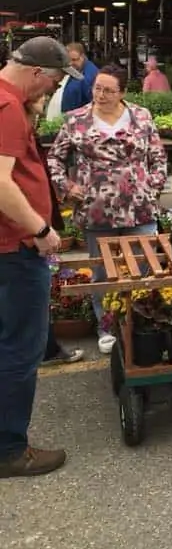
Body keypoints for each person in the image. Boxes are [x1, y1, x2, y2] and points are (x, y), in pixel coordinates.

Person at [0, 36, 83, 478]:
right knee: (20, 349)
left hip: (8, 248)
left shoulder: (11, 103)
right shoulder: (8, 108)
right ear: (35, 72)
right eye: (51, 83)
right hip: (15, 251)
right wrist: (40, 228)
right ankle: (10, 450)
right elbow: (1, 183)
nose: (50, 91)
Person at [47, 65, 167, 356]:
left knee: (144, 267)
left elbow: (158, 157)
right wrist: (68, 188)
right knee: (102, 271)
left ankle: (143, 322)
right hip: (96, 209)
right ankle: (108, 326)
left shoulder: (141, 117)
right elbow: (54, 159)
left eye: (109, 90)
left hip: (139, 207)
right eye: (97, 88)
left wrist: (152, 186)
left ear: (123, 92)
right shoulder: (76, 120)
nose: (101, 94)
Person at [24, 94, 84, 366]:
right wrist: (38, 229)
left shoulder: (26, 124)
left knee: (35, 292)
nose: (46, 97)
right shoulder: (12, 120)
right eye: (41, 94)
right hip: (23, 234)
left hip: (29, 230)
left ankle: (47, 349)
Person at [60, 42, 98, 112]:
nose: (70, 63)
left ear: (82, 56)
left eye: (74, 60)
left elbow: (94, 103)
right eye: (68, 60)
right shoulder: (77, 70)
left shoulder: (89, 76)